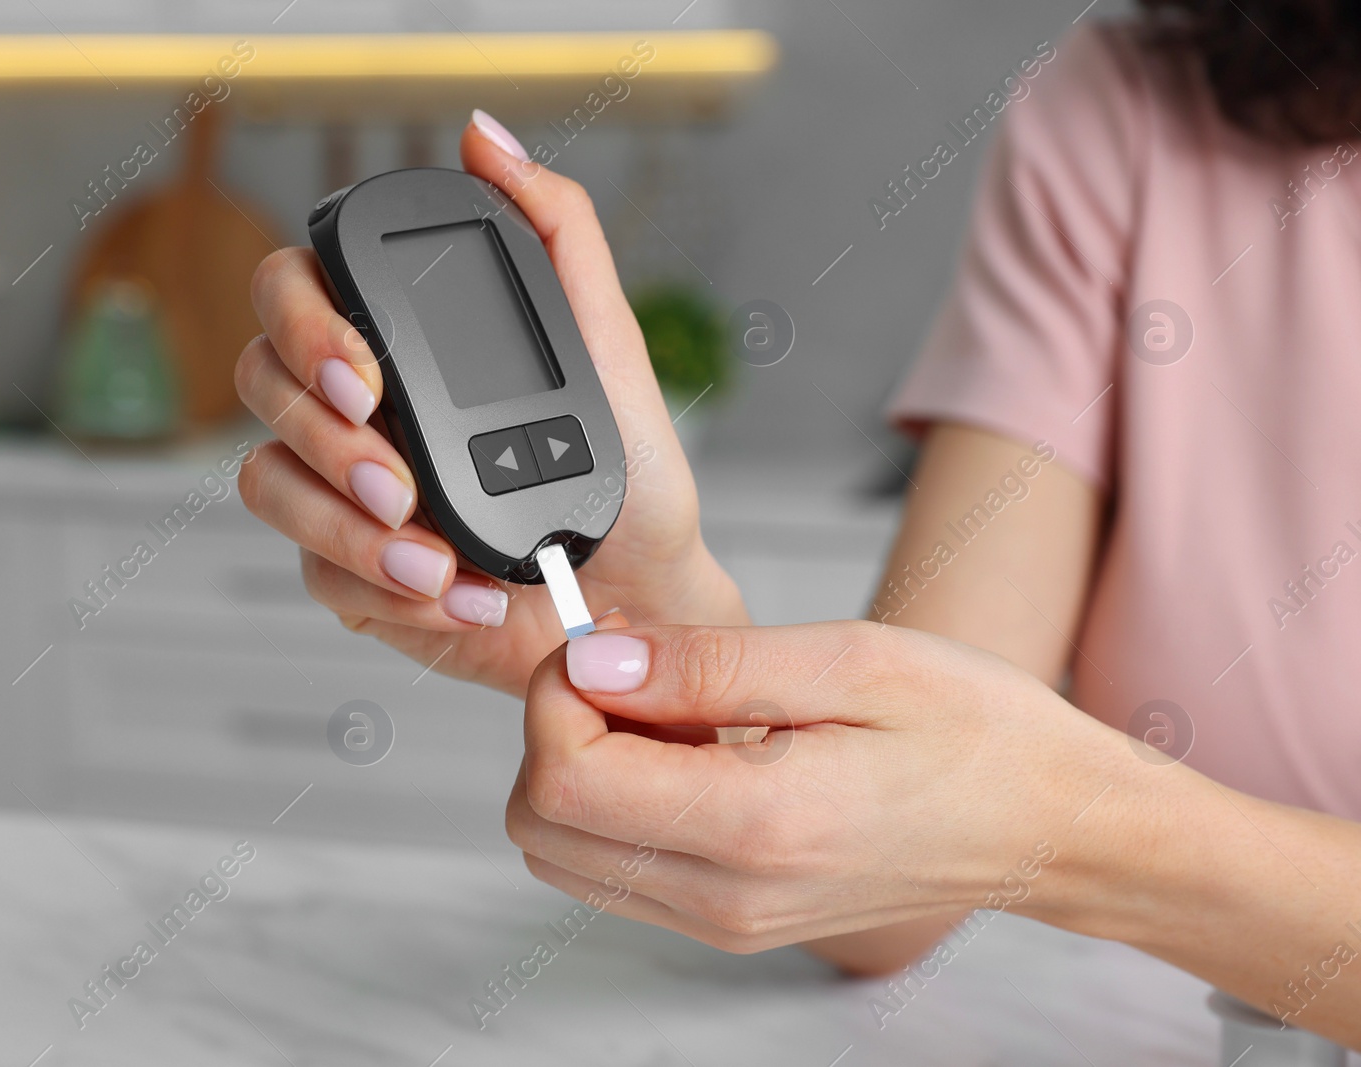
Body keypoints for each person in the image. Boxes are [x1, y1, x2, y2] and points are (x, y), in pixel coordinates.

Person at [233, 5, 1361, 1048]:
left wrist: (1075, 834)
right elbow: (893, 902)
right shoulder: (1129, 103)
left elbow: (1008, 823)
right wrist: (669, 630)